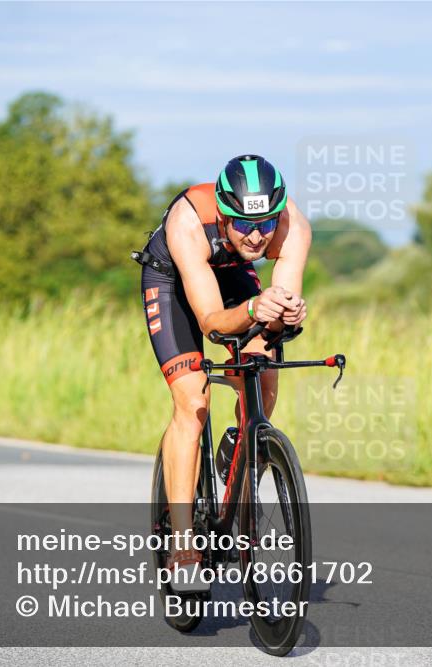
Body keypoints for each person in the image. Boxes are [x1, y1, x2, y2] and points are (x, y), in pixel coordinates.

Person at [137, 155, 311, 590]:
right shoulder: (188, 221)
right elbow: (214, 321)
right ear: (224, 211)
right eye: (245, 225)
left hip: (233, 274)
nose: (257, 235)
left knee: (263, 369)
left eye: (267, 224)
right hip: (174, 280)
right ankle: (183, 546)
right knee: (194, 401)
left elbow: (274, 319)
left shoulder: (293, 227)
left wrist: (283, 315)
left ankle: (241, 441)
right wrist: (255, 307)